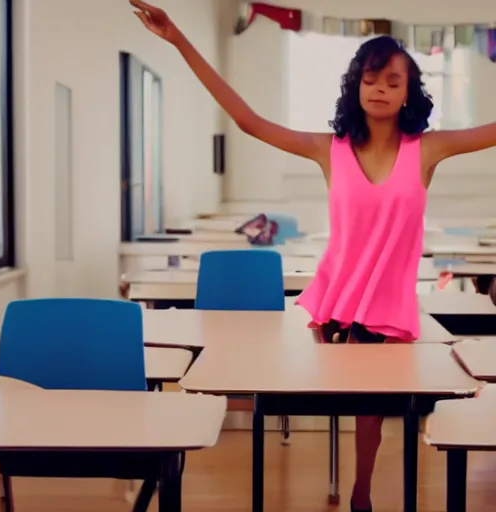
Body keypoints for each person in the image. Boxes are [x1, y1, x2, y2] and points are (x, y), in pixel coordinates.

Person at [129, 1, 496, 510]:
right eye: (371, 78)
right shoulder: (331, 148)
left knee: (373, 415)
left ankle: (361, 494)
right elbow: (248, 120)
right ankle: (353, 490)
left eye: (393, 80)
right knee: (339, 401)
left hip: (389, 307)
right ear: (356, 85)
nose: (380, 88)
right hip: (337, 303)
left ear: (410, 91)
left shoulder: (427, 149)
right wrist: (177, 39)